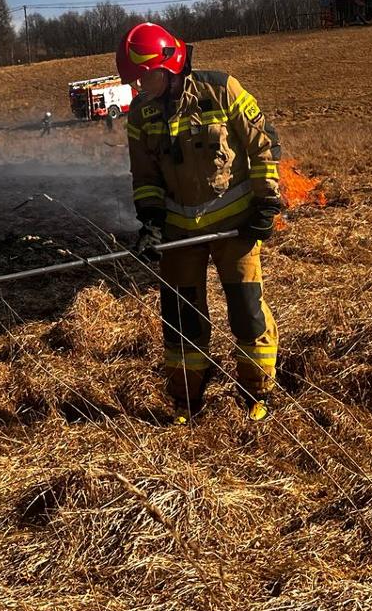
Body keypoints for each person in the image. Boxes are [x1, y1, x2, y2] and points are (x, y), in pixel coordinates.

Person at [118, 22, 283, 424]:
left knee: (246, 312)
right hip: (179, 233)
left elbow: (263, 142)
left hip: (236, 227)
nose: (140, 87)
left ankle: (256, 393)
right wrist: (152, 223)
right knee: (180, 317)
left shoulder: (222, 90)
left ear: (169, 64)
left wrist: (266, 203)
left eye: (145, 77)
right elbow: (145, 177)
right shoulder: (141, 114)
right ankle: (186, 401)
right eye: (134, 81)